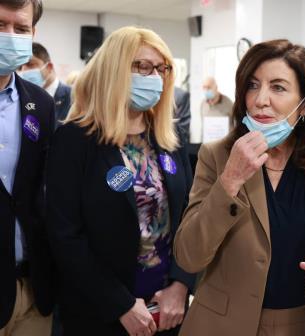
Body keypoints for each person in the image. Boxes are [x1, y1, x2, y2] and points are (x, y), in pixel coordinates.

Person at [174, 39, 305, 336]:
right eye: (252, 85)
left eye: (278, 87)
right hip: (224, 325)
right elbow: (188, 255)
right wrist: (230, 181)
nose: (260, 100)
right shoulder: (217, 156)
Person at [46, 26, 196, 336]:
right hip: (100, 312)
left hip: (167, 308)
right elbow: (65, 235)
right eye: (142, 65)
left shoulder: (170, 138)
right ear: (115, 70)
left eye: (161, 68)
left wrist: (181, 285)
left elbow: (189, 217)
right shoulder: (75, 140)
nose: (153, 76)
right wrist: (120, 304)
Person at [0, 0, 56, 335]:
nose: (10, 35)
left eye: (20, 29)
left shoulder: (42, 104)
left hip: (34, 290)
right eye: (0, 25)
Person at [19, 42, 71, 128]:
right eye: (20, 67)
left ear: (49, 67)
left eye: (30, 64)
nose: (24, 71)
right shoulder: (21, 98)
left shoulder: (72, 96)